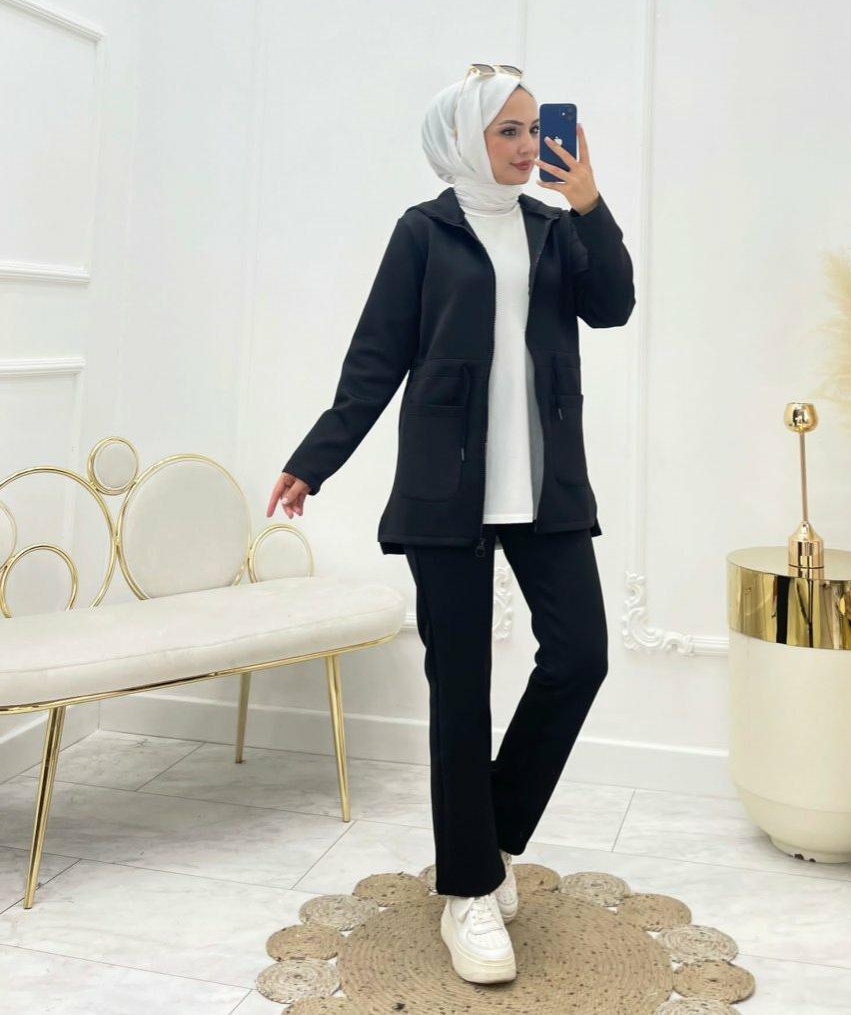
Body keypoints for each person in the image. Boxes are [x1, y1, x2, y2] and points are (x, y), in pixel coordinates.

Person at [268, 66, 635, 985]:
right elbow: (376, 356)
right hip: (448, 492)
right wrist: (315, 457)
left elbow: (613, 306)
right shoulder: (423, 233)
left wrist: (589, 204)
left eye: (532, 129)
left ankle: (488, 834)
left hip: (547, 489)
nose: (526, 145)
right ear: (464, 139)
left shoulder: (553, 227)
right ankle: (468, 890)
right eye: (507, 131)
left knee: (580, 656)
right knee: (460, 690)